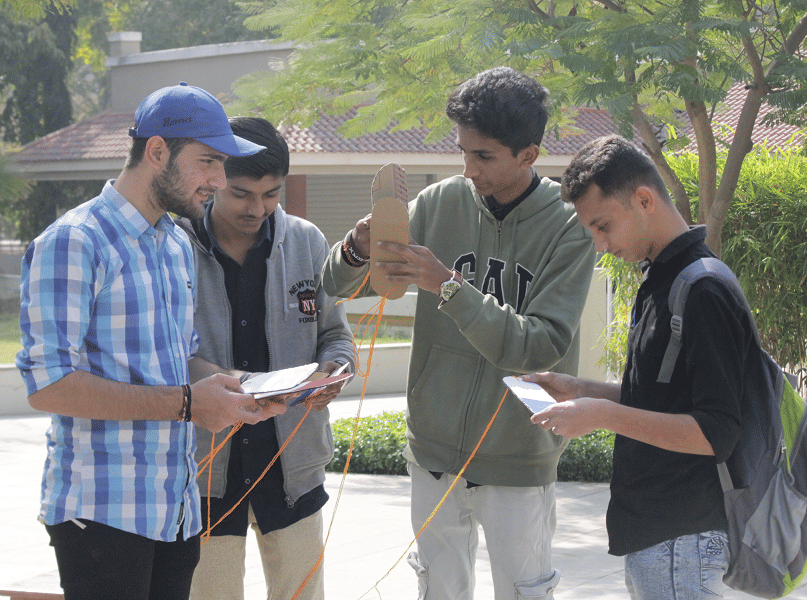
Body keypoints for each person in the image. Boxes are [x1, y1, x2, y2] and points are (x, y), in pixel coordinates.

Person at [322, 66, 597, 600]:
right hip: (434, 452)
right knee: (439, 591)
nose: (468, 168)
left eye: (484, 156)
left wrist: (449, 287)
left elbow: (540, 343)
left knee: (523, 591)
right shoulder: (438, 203)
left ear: (529, 155)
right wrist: (358, 248)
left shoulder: (568, 227)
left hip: (520, 452)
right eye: (464, 151)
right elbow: (342, 286)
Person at [15, 82, 288, 600]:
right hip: (101, 512)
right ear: (157, 150)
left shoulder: (175, 244)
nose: (218, 180)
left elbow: (178, 362)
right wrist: (189, 405)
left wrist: (252, 387)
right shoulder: (75, 241)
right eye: (208, 161)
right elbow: (48, 385)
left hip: (174, 509)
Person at [527, 134, 756, 600]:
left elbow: (716, 433)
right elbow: (663, 399)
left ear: (644, 199)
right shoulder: (664, 277)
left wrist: (602, 416)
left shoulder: (703, 288)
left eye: (603, 226)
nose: (600, 244)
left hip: (683, 540)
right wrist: (580, 390)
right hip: (662, 537)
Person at [179, 116, 355, 600]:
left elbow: (336, 337)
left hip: (291, 464)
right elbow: (163, 356)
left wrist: (333, 372)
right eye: (241, 194)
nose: (258, 208)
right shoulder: (172, 247)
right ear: (213, 179)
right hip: (205, 469)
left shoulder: (307, 241)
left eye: (272, 194)